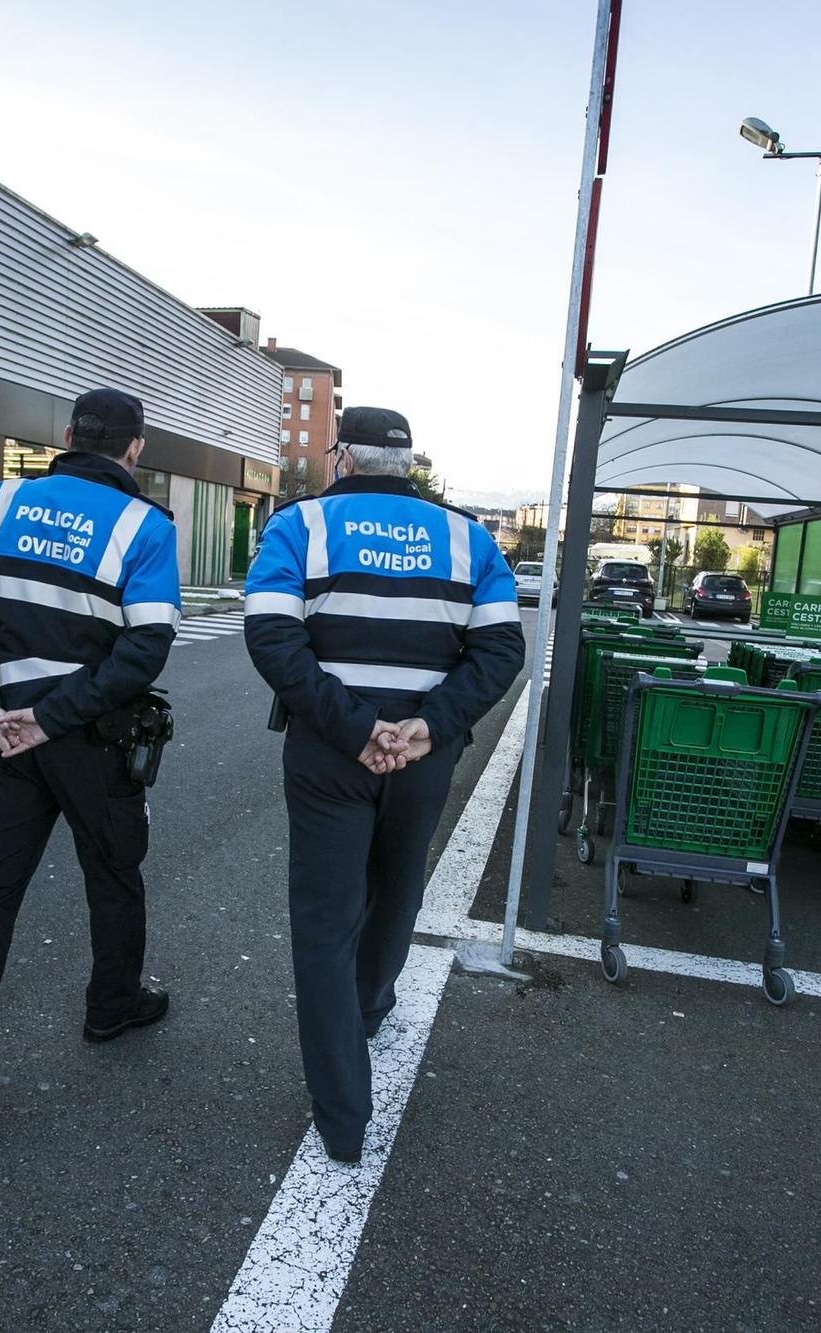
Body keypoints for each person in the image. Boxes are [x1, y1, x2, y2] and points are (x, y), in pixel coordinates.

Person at [243, 406, 523, 1162]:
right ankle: (371, 1004)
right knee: (398, 883)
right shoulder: (468, 534)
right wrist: (428, 725)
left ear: (341, 457)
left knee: (324, 920)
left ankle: (343, 1116)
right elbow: (501, 648)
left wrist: (353, 725)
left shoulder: (302, 524)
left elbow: (272, 633)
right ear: (410, 464)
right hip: (424, 752)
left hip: (332, 752)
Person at [0, 388, 180, 1116]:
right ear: (135, 447)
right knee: (114, 873)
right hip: (92, 738)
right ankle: (110, 1006)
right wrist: (52, 716)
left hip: (3, 741)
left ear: (66, 436)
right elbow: (145, 646)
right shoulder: (144, 525)